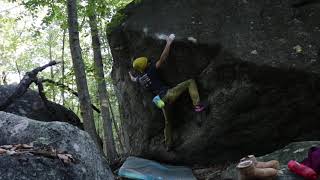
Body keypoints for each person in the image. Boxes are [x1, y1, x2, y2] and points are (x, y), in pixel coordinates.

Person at [128, 34, 205, 150]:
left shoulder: (141, 79)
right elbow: (163, 58)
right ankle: (198, 108)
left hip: (161, 102)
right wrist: (168, 43)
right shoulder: (152, 70)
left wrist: (130, 74)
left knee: (168, 123)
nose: (149, 62)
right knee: (190, 82)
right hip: (168, 94)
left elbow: (134, 79)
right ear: (145, 65)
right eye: (147, 62)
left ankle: (168, 144)